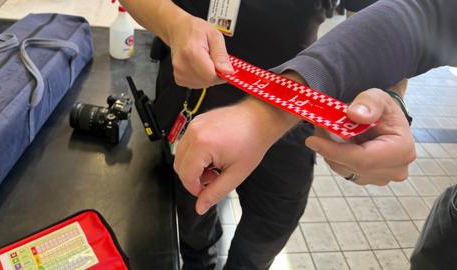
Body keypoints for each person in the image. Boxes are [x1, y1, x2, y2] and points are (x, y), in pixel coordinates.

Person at [172, 0, 457, 269]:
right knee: (192, 208)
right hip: (189, 97)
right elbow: (428, 13)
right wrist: (172, 23)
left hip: (296, 123)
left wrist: (390, 96)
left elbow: (401, 17)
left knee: (272, 223)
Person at [120, 0, 334, 269]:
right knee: (193, 215)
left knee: (268, 231)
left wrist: (382, 95)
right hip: (194, 98)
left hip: (290, 113)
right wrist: (172, 23)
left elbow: (379, 20)